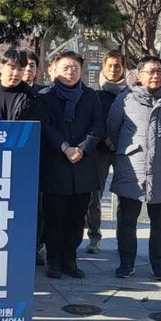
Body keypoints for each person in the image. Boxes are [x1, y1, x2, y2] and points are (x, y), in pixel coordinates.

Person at [107, 57, 161, 279]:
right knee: (127, 218)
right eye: (149, 72)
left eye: (159, 72)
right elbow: (113, 128)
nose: (155, 76)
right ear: (138, 75)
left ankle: (159, 263)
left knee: (160, 220)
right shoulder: (125, 99)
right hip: (132, 165)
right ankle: (126, 263)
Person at [30, 50, 103, 279]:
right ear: (54, 70)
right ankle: (53, 260)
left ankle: (70, 259)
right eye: (65, 68)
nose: (70, 72)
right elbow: (46, 126)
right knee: (54, 217)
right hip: (56, 164)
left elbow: (97, 126)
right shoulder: (45, 96)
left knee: (76, 217)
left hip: (82, 165)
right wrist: (65, 147)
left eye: (74, 68)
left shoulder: (91, 96)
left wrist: (82, 148)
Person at [86, 51, 130, 253]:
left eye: (118, 66)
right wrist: (106, 139)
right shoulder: (93, 91)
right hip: (100, 149)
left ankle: (124, 237)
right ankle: (94, 236)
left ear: (124, 68)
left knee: (125, 195)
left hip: (124, 149)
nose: (113, 69)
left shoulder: (131, 92)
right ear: (104, 66)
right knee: (95, 194)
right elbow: (92, 119)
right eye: (110, 65)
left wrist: (118, 142)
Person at [0, 48, 37, 121]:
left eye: (20, 69)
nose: (16, 73)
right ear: (1, 67)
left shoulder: (31, 96)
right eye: (12, 68)